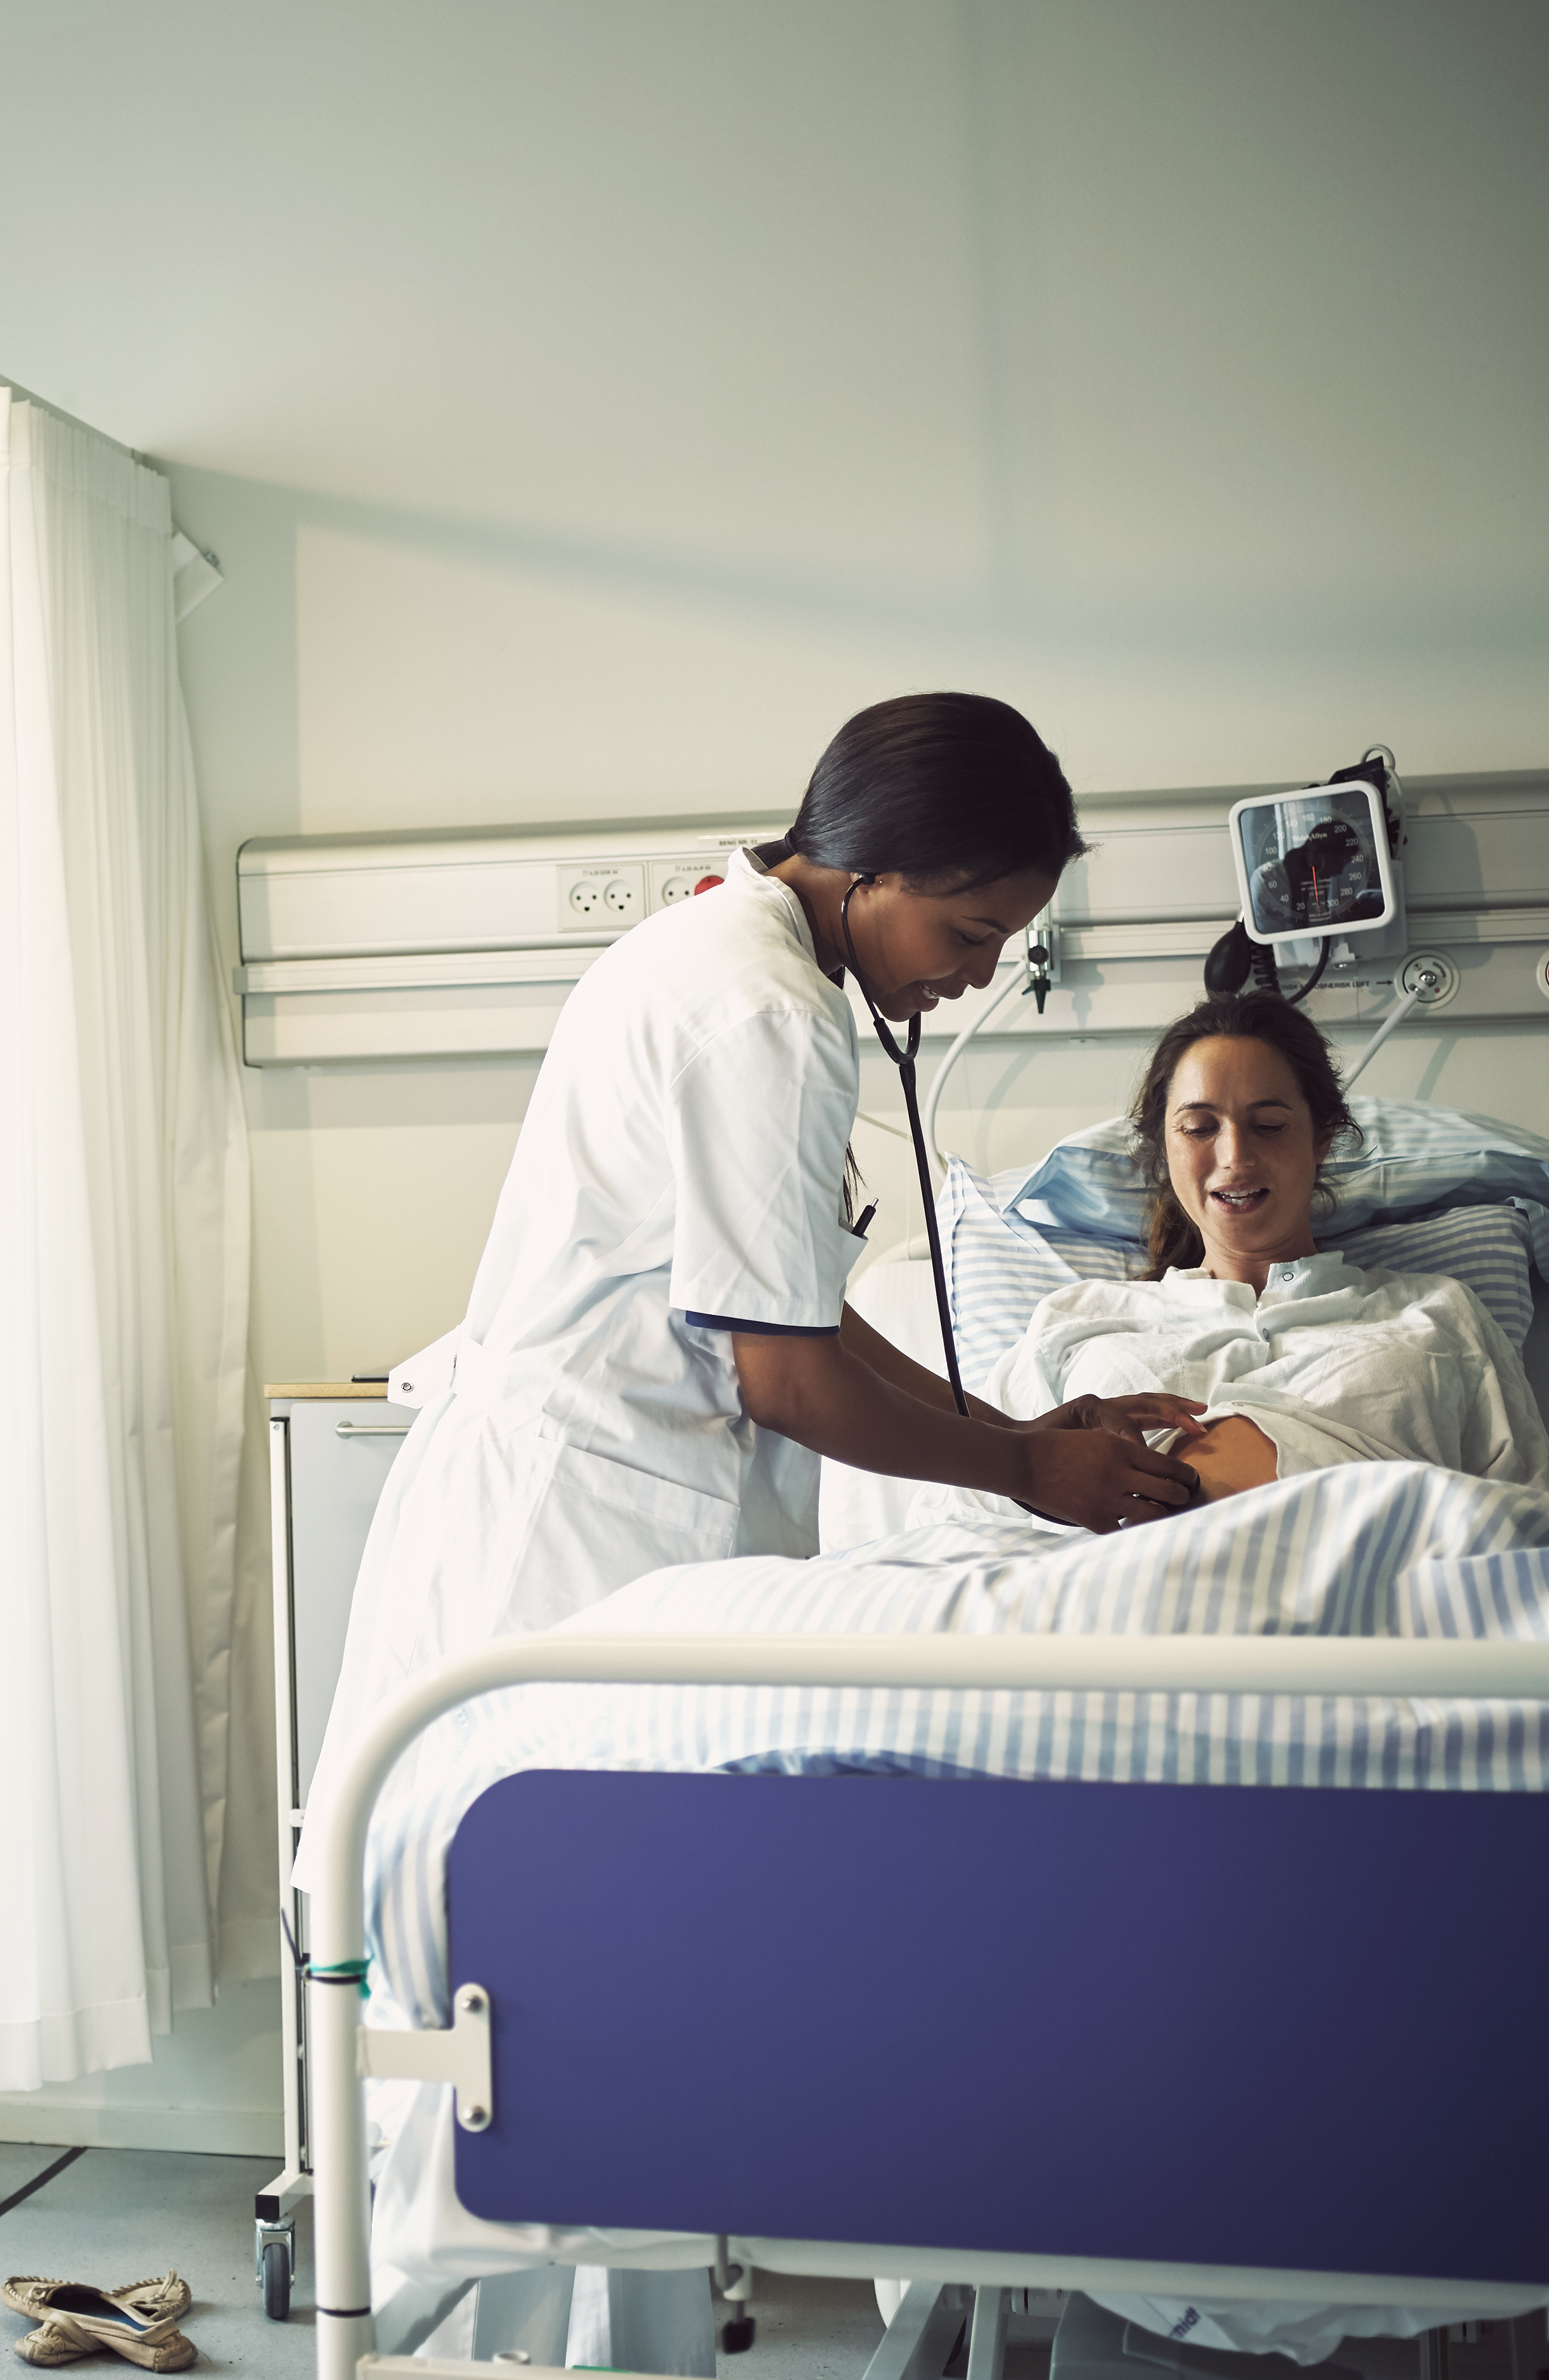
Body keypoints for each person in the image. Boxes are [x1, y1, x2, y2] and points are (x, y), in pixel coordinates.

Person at [328, 692, 1200, 2376]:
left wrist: (1022, 1435)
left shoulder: (723, 964)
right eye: (967, 931)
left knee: (568, 2009)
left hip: (574, 1523)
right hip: (575, 1540)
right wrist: (1029, 1481)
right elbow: (788, 1374)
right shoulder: (763, 1021)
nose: (969, 974)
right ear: (874, 871)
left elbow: (781, 1309)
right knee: (556, 2006)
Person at [974, 991, 1549, 1502]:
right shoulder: (1078, 1320)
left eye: (1268, 1124)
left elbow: (1540, 1521)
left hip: (1371, 1599)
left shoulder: (1437, 1315)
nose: (1235, 1156)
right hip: (1120, 1601)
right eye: (1199, 1127)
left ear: (1322, 1139)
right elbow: (966, 1513)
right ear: (1163, 1145)